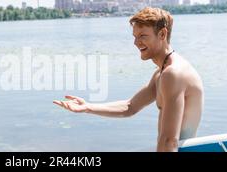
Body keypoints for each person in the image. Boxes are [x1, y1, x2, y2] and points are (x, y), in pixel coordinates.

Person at [53, 7, 204, 152]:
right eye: (135, 37)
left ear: (162, 34)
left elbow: (169, 140)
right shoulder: (162, 73)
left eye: (143, 36)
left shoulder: (173, 74)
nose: (136, 43)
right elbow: (130, 107)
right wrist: (87, 107)